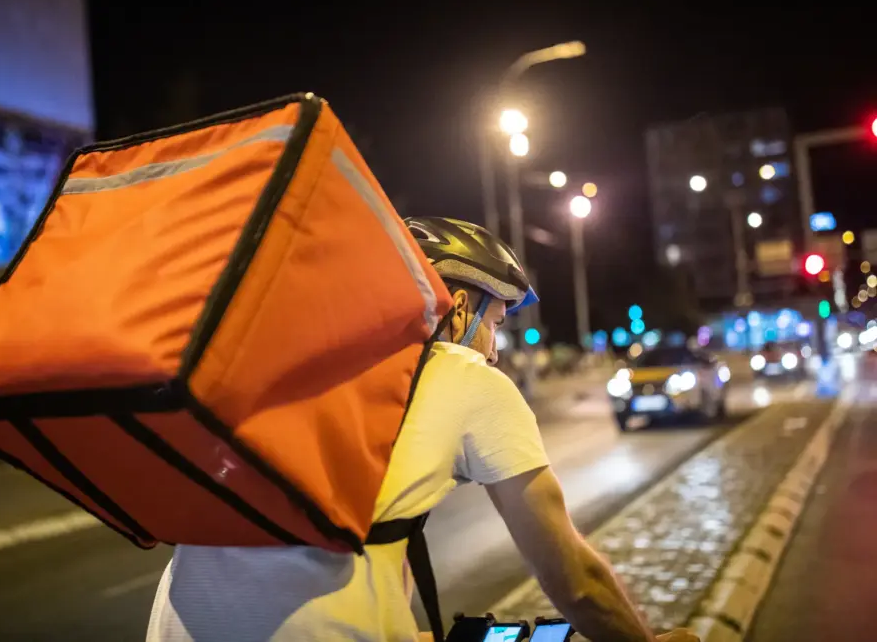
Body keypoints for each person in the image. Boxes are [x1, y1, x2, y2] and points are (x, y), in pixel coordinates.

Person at [146, 216, 698, 642]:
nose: (496, 350)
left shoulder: (297, 376)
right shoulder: (463, 376)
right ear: (458, 309)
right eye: (497, 324)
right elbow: (574, 577)